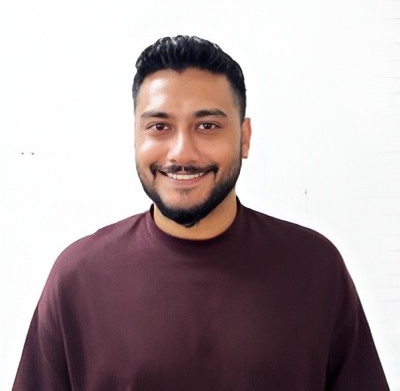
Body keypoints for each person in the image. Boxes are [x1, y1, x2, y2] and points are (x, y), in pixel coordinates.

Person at [13, 35, 389, 390]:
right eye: (159, 126)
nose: (182, 152)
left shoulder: (315, 267)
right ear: (136, 136)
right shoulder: (78, 276)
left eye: (207, 126)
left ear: (244, 138)